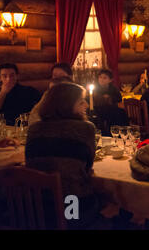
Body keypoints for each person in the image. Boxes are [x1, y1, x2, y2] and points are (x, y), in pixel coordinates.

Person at [25, 82, 102, 229]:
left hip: (38, 209)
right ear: (66, 105)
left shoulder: (34, 129)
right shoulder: (85, 128)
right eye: (81, 101)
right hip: (72, 207)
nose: (86, 104)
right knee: (115, 205)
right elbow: (87, 168)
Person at [93, 69, 127, 135]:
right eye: (100, 77)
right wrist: (106, 99)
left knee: (121, 112)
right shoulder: (95, 88)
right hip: (99, 110)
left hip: (112, 110)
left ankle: (120, 133)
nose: (101, 79)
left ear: (110, 80)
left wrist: (109, 98)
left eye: (105, 78)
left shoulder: (113, 89)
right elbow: (96, 101)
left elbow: (119, 100)